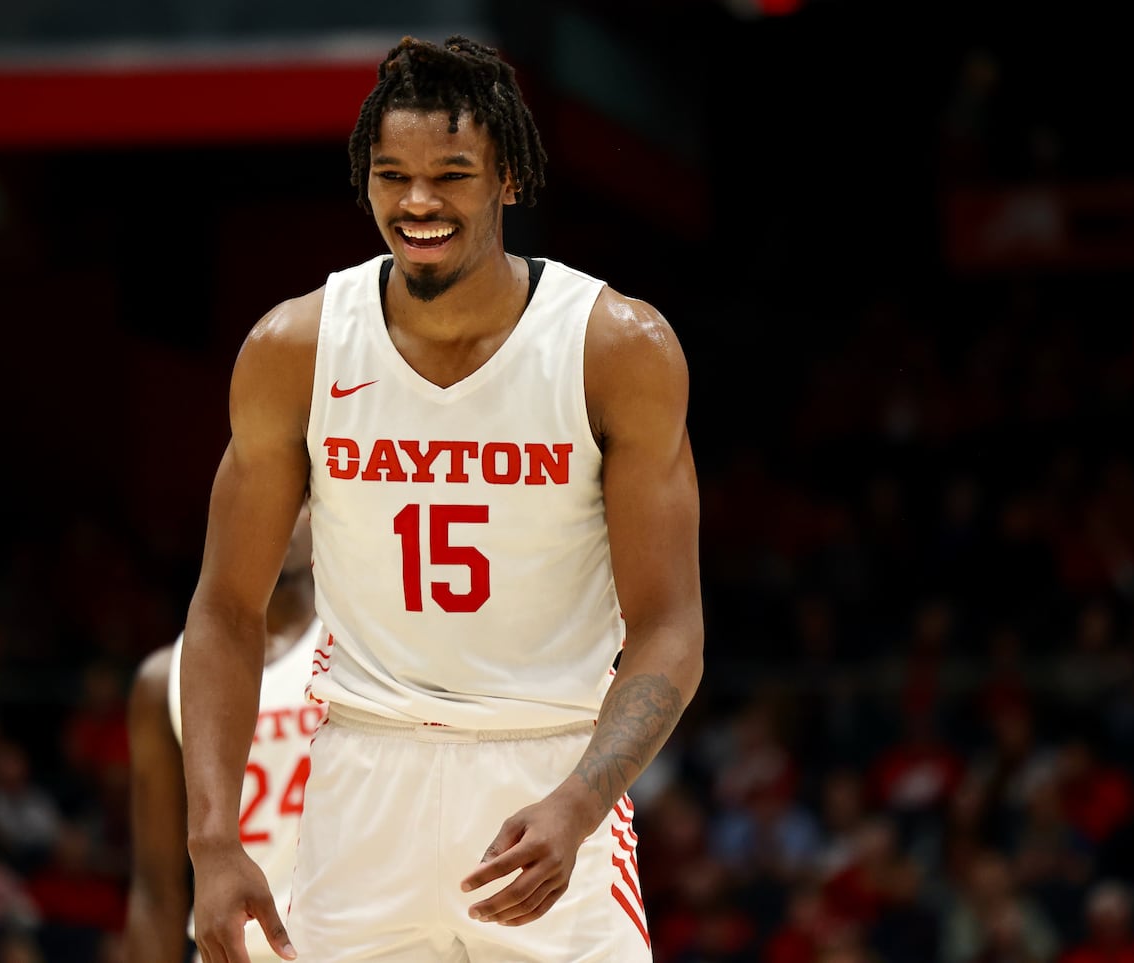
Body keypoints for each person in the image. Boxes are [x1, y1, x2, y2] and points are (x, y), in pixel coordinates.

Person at [180, 34, 703, 962]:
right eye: (393, 176)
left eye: (452, 174)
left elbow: (669, 626)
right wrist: (213, 838)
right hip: (360, 776)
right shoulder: (293, 350)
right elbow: (224, 608)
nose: (418, 202)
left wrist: (584, 799)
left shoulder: (616, 348)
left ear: (507, 178)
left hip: (547, 766)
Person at [128, 505, 321, 962]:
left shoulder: (360, 647)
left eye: (298, 499)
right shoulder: (165, 678)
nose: (277, 513)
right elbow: (156, 889)